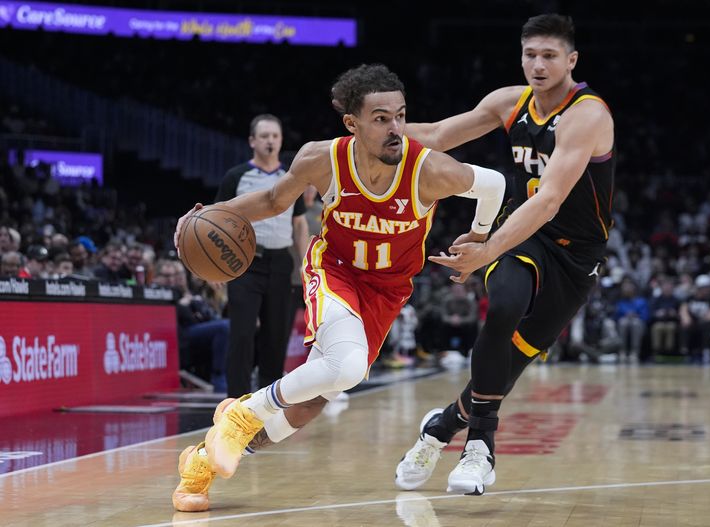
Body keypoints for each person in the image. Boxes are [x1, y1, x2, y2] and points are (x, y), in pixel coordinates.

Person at [169, 63, 507, 512]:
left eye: (401, 116)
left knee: (308, 406)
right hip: (335, 270)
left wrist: (481, 237)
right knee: (346, 367)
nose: (396, 129)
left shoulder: (427, 169)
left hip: (386, 292)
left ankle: (200, 466)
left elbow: (495, 184)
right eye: (381, 119)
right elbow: (273, 202)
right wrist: (207, 213)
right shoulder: (322, 158)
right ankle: (241, 414)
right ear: (352, 123)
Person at [395, 13, 615, 495]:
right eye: (530, 54)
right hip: (522, 233)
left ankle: (441, 426)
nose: (537, 64)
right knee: (504, 307)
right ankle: (481, 447)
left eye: (549, 56)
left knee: (509, 365)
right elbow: (434, 136)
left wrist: (485, 250)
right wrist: (378, 134)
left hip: (576, 256)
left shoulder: (587, 114)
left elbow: (551, 198)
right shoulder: (508, 102)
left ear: (571, 60)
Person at [215, 114, 310, 398]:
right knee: (242, 335)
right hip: (243, 263)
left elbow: (300, 223)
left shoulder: (290, 178)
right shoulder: (236, 176)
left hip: (281, 263)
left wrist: (306, 264)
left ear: (281, 141)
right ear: (252, 141)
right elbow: (216, 219)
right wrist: (217, 265)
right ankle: (234, 406)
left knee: (276, 338)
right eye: (265, 136)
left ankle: (265, 408)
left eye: (275, 136)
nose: (270, 141)